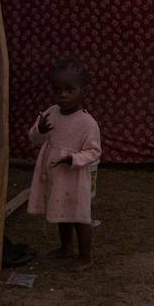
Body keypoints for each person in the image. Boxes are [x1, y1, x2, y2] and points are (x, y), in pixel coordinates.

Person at [28, 57, 102, 269]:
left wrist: (74, 159)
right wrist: (40, 132)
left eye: (70, 89)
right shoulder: (50, 113)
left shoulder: (87, 123)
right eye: (58, 89)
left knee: (79, 215)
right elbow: (34, 140)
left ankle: (85, 256)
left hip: (75, 176)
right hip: (56, 174)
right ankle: (66, 247)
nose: (63, 95)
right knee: (61, 211)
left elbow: (94, 152)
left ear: (83, 90)